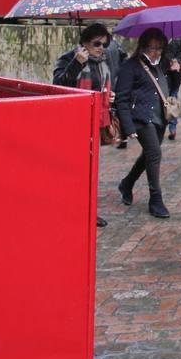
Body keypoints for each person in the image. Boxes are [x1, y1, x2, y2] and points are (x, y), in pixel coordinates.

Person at [52, 23, 119, 228]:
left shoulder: (103, 62)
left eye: (104, 44)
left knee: (91, 169)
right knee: (73, 168)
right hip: (73, 123)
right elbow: (58, 86)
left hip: (95, 123)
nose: (100, 48)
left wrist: (110, 97)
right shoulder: (69, 59)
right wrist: (76, 64)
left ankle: (89, 212)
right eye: (96, 43)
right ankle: (67, 209)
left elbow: (102, 86)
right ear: (84, 44)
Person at [113, 28, 181, 219]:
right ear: (142, 46)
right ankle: (155, 199)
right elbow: (122, 98)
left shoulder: (163, 64)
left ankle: (126, 183)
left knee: (149, 155)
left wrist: (175, 73)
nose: (156, 53)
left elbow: (172, 88)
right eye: (152, 48)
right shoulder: (130, 66)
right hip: (140, 117)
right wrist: (128, 127)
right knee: (154, 153)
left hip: (160, 117)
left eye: (159, 48)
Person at [164, 37, 181, 140]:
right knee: (173, 98)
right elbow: (180, 54)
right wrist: (177, 61)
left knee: (166, 99)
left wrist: (171, 60)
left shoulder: (165, 38)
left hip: (168, 75)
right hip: (176, 73)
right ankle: (172, 128)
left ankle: (167, 126)